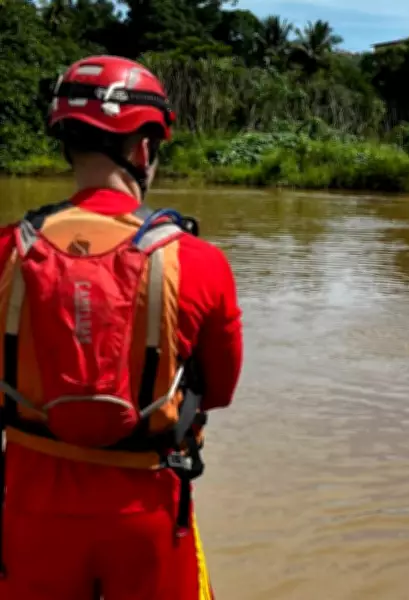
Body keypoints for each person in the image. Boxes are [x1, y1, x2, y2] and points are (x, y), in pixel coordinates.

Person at [0, 55, 243, 599]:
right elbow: (220, 391)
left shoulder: (6, 251)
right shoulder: (199, 260)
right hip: (151, 508)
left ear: (67, 142)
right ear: (144, 148)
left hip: (28, 504)